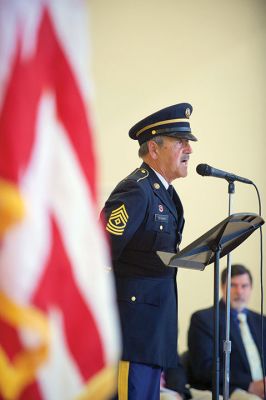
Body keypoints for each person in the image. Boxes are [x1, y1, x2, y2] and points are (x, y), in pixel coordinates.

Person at [101, 103, 197, 400]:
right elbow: (100, 253)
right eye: (180, 142)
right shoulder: (136, 190)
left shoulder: (165, 193)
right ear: (154, 149)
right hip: (134, 333)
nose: (189, 150)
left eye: (188, 143)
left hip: (154, 332)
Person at [188, 264, 266, 400]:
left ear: (251, 288)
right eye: (233, 285)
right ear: (223, 287)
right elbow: (204, 368)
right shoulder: (204, 319)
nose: (239, 292)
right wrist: (249, 385)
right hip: (231, 389)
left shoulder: (261, 320)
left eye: (244, 286)